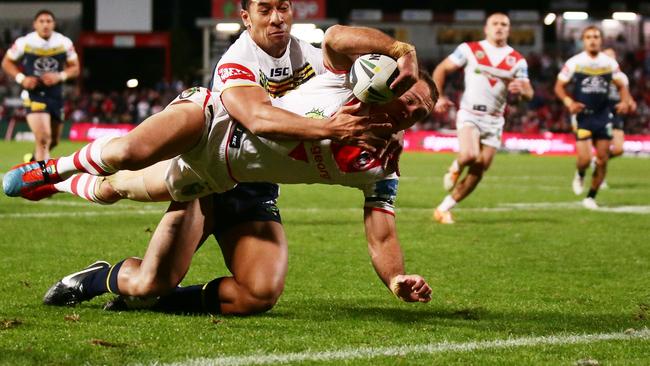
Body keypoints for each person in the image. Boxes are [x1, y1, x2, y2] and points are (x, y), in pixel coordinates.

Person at [6, 1, 415, 315]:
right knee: (125, 163)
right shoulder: (238, 58)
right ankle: (53, 174)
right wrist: (334, 124)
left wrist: (396, 278)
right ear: (245, 17)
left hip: (246, 179)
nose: (276, 18)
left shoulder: (317, 64)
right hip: (208, 133)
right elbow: (257, 117)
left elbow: (340, 45)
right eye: (265, 9)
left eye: (283, 7)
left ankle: (124, 286)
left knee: (251, 293)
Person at [431, 13, 533, 224]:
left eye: (504, 24)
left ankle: (443, 209)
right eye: (495, 24)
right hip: (470, 114)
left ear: (509, 30)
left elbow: (529, 93)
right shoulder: (470, 49)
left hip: (495, 120)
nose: (499, 27)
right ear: (486, 28)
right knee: (469, 155)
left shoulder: (517, 60)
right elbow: (441, 68)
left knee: (480, 169)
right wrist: (439, 96)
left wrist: (521, 90)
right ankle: (456, 167)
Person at [554, 27, 634, 209]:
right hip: (583, 116)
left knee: (603, 159)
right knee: (584, 159)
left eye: (596, 37)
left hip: (603, 116)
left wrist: (624, 101)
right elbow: (559, 86)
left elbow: (622, 84)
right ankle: (580, 173)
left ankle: (590, 197)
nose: (592, 40)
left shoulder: (609, 63)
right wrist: (569, 102)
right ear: (583, 40)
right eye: (588, 37)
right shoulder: (575, 62)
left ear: (601, 40)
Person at [1, 9, 79, 161]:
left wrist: (60, 76)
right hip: (34, 94)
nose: (45, 25)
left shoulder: (64, 42)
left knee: (53, 141)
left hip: (56, 95)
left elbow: (75, 68)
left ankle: (33, 161)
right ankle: (41, 179)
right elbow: (6, 62)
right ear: (34, 24)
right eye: (41, 21)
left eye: (49, 21)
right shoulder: (25, 42)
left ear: (54, 24)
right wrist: (21, 78)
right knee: (44, 138)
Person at [597, 48, 637, 188]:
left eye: (612, 56)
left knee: (619, 149)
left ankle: (598, 161)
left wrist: (630, 102)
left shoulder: (622, 76)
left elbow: (625, 93)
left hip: (617, 113)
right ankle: (601, 179)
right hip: (603, 112)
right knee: (605, 146)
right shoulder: (598, 74)